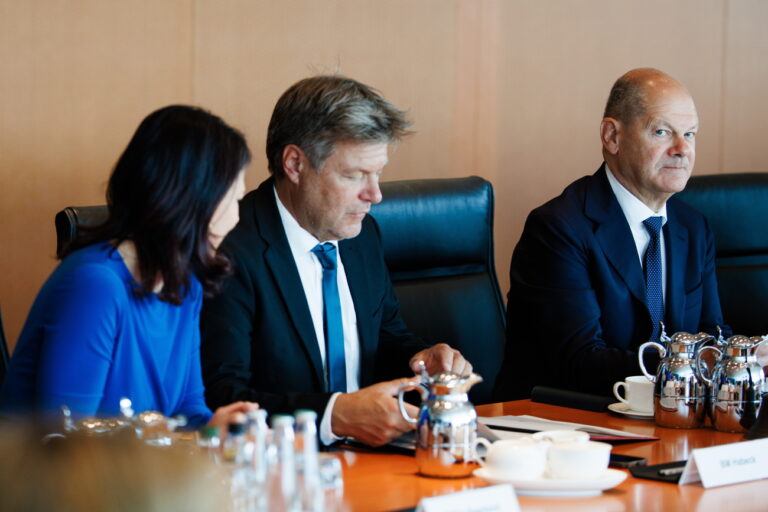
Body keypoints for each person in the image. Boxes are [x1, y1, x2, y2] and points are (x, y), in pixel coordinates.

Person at [201, 75, 472, 447]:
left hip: (375, 458)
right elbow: (223, 397)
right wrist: (336, 416)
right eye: (355, 175)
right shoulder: (230, 249)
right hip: (280, 470)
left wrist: (422, 359)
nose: (374, 194)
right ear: (295, 163)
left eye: (377, 173)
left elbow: (387, 336)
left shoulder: (363, 236)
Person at [0, 105, 258, 430]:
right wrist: (182, 439)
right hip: (50, 478)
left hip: (135, 477)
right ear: (190, 200)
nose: (236, 218)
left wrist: (214, 429)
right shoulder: (95, 286)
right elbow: (66, 443)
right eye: (233, 199)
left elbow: (187, 409)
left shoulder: (185, 285)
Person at [494, 68, 727, 400]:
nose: (682, 149)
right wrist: (696, 365)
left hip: (666, 416)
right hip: (571, 424)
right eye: (662, 132)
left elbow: (712, 335)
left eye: (690, 134)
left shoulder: (693, 227)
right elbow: (580, 362)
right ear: (612, 136)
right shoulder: (558, 228)